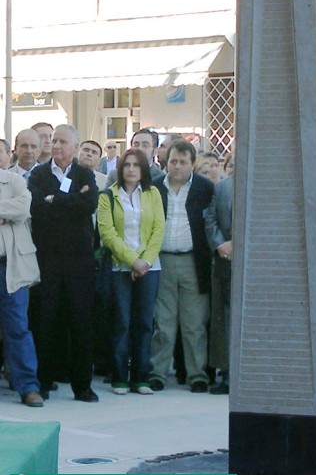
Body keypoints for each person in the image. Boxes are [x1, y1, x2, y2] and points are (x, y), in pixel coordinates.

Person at [28, 124, 99, 402]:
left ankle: (82, 386)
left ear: (75, 147)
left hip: (79, 260)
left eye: (62, 141)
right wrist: (71, 201)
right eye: (54, 140)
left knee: (81, 321)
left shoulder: (85, 174)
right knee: (46, 320)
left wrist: (54, 199)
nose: (56, 145)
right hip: (48, 259)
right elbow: (37, 207)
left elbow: (89, 204)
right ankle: (44, 381)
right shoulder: (39, 174)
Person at [97, 148, 165, 395]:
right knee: (121, 323)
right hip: (120, 267)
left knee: (144, 323)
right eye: (127, 165)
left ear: (143, 169)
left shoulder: (153, 193)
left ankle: (141, 378)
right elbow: (108, 234)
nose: (131, 169)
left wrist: (144, 261)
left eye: (136, 165)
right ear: (120, 168)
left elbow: (159, 229)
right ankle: (119, 378)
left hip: (149, 268)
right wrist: (133, 260)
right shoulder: (108, 195)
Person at [148, 140, 214, 393]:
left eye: (183, 162)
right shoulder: (154, 187)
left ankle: (197, 375)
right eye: (173, 161)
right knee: (163, 323)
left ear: (192, 164)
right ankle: (158, 373)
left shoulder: (205, 188)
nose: (177, 166)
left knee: (194, 323)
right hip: (162, 260)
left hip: (193, 262)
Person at [0, 168, 43, 407]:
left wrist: (8, 212)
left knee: (17, 327)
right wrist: (7, 213)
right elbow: (14, 210)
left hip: (11, 266)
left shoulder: (13, 180)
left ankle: (28, 387)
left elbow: (23, 207)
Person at [205, 156, 234, 394]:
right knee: (223, 318)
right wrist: (220, 245)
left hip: (254, 264)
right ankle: (226, 372)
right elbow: (211, 219)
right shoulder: (221, 188)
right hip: (224, 260)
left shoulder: (264, 188)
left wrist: (238, 243)